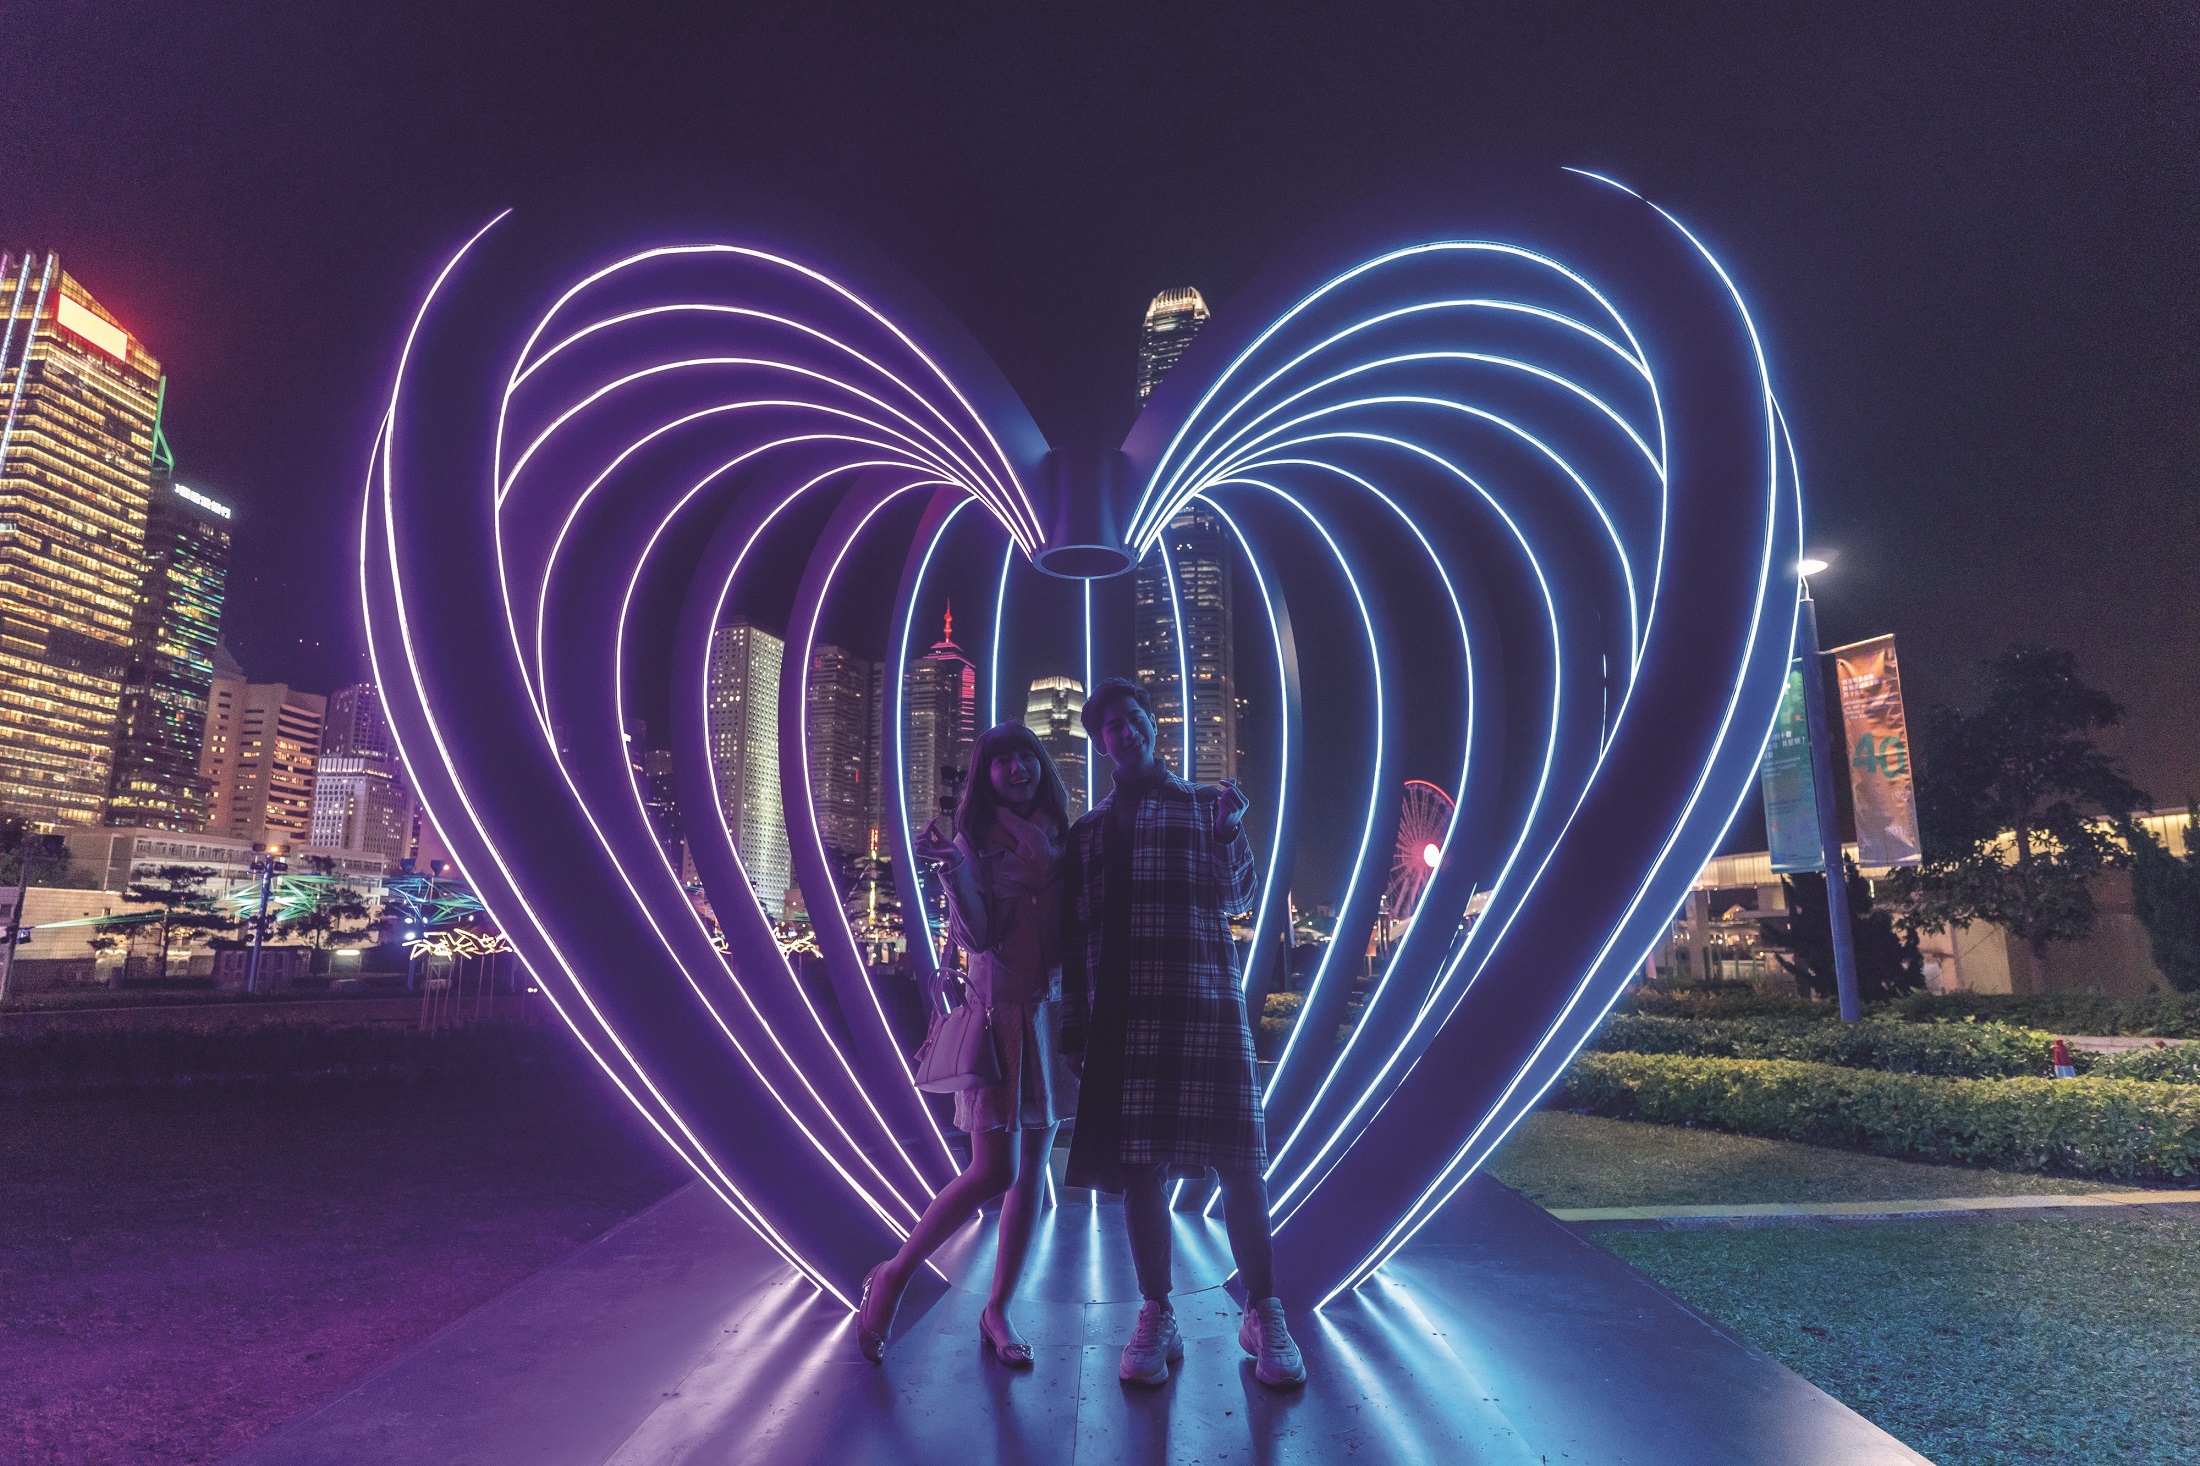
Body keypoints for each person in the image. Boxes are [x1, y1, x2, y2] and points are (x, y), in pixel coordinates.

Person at [1061, 677, 1306, 1389]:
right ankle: (1157, 1312)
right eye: (1109, 724)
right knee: (1140, 1172)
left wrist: (1232, 829)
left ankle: (1263, 1310)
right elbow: (1078, 939)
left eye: (1132, 717)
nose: (1123, 730)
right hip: (1125, 1016)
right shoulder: (1088, 833)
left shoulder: (1207, 805)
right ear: (1099, 740)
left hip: (1204, 1003)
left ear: (1152, 727)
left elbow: (1240, 900)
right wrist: (1076, 1030)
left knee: (1240, 1163)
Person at [855, 722, 1077, 1367]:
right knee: (993, 1169)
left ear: (1041, 765)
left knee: (1031, 1168)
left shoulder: (1066, 835)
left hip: (1054, 1010)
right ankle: (895, 1273)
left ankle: (998, 1311)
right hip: (1002, 1011)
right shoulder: (973, 841)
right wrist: (954, 874)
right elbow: (977, 938)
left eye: (1025, 757)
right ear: (985, 775)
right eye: (1001, 760)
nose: (1016, 768)